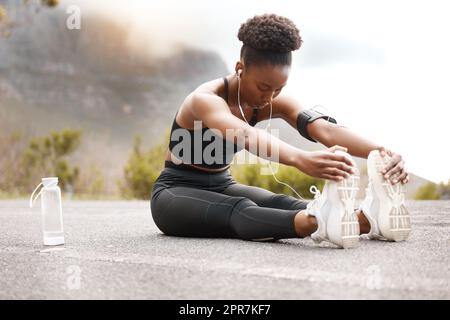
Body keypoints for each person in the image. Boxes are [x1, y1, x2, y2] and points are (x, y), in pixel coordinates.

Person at [150, 14, 411, 249]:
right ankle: (320, 223)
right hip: (175, 193)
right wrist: (302, 159)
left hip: (222, 184)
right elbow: (245, 135)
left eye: (279, 89)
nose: (270, 97)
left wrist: (381, 152)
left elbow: (326, 130)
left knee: (284, 203)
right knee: (240, 209)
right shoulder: (204, 100)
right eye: (264, 87)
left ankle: (367, 220)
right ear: (240, 69)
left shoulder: (269, 100)